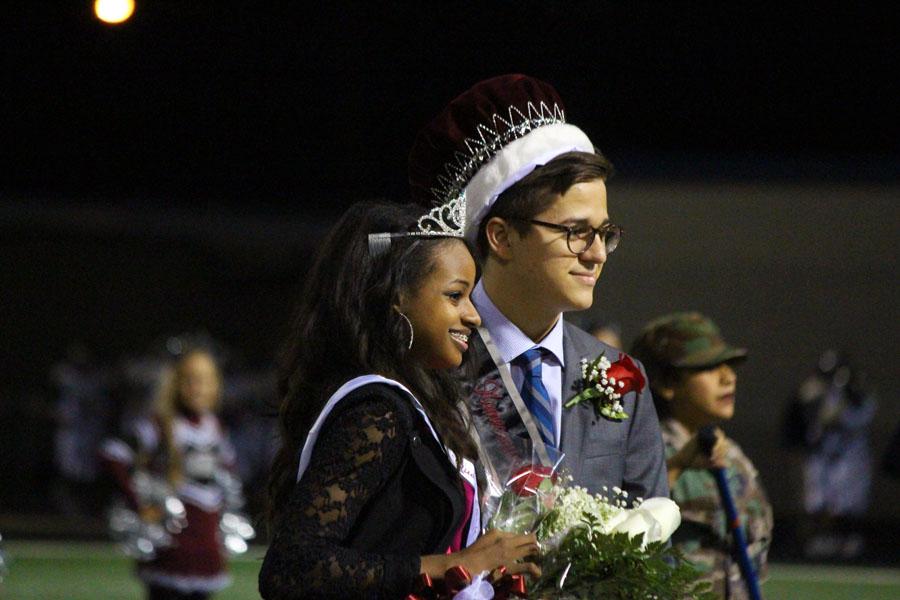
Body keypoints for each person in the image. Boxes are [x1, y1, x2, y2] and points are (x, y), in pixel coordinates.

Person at [259, 201, 540, 600]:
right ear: (397, 299)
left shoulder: (420, 408)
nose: (473, 316)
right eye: (455, 295)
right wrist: (454, 565)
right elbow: (291, 570)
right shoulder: (378, 411)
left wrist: (480, 573)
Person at [407, 74, 668, 503]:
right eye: (576, 232)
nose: (597, 253)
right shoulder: (428, 364)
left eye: (605, 233)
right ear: (502, 237)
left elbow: (654, 546)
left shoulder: (624, 377)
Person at [630, 312, 773, 599]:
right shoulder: (642, 452)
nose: (728, 377)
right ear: (666, 383)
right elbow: (628, 524)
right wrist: (677, 466)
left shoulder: (731, 453)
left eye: (728, 365)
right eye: (708, 368)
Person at [100, 348, 239, 600]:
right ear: (175, 383)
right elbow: (113, 454)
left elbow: (227, 479)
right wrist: (139, 505)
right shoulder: (160, 424)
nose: (198, 388)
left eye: (206, 380)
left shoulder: (215, 426)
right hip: (172, 548)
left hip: (206, 546)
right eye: (191, 379)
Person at [783, 349, 876, 558]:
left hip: (849, 458)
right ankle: (817, 539)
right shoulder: (814, 392)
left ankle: (847, 540)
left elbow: (854, 416)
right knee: (817, 501)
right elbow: (811, 422)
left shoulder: (855, 394)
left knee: (848, 503)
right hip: (822, 457)